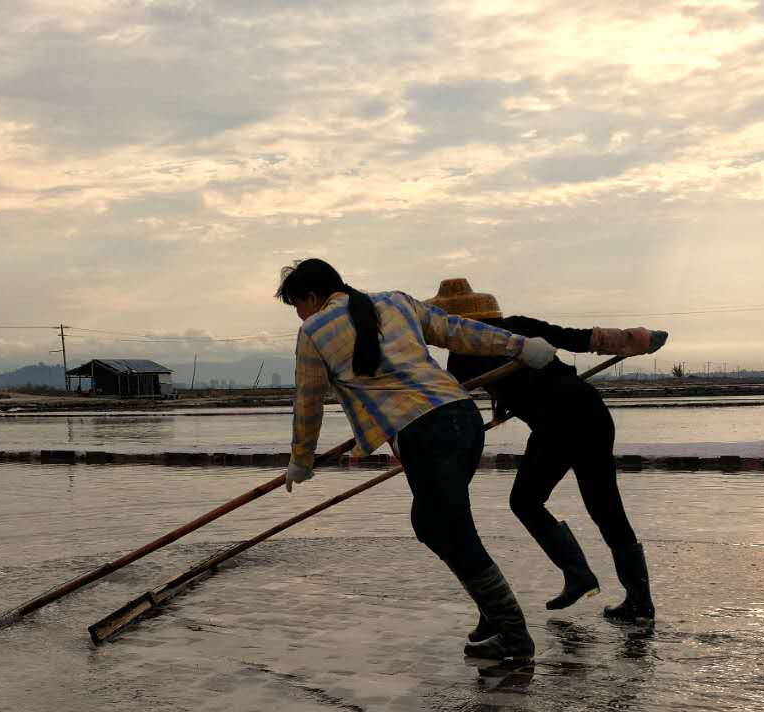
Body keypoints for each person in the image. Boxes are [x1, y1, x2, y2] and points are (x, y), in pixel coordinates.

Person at [279, 258, 560, 661]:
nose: (300, 314)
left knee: (451, 531)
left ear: (311, 296)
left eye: (297, 305)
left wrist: (301, 460)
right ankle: (494, 617)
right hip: (463, 420)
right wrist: (519, 346)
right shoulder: (396, 302)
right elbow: (458, 331)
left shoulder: (313, 331)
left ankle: (513, 634)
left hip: (427, 435)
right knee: (433, 524)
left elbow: (308, 401)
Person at [428, 278, 667, 627]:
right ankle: (639, 602)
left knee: (525, 501)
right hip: (589, 410)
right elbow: (581, 338)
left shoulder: (463, 354)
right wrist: (635, 340)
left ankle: (579, 576)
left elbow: (447, 403)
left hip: (557, 423)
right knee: (605, 507)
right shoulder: (520, 327)